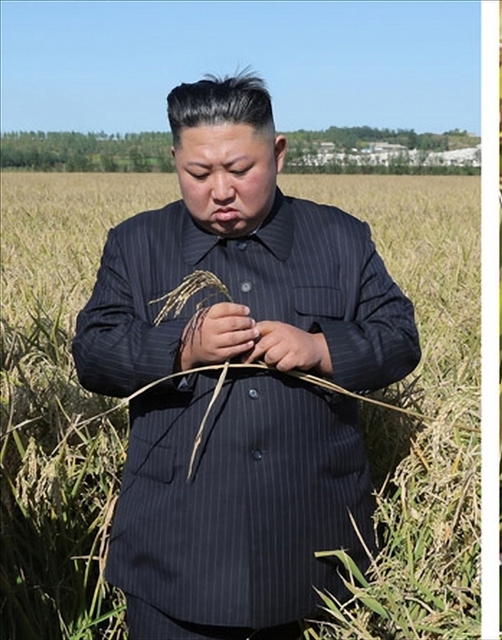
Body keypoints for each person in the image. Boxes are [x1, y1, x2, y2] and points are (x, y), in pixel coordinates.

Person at [72, 72, 421, 639]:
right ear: (175, 162)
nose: (221, 190)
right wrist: (182, 348)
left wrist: (321, 348)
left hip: (319, 559)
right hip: (175, 560)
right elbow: (92, 353)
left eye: (239, 170)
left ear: (278, 153)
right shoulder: (136, 245)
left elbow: (400, 337)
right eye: (199, 172)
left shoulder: (340, 238)